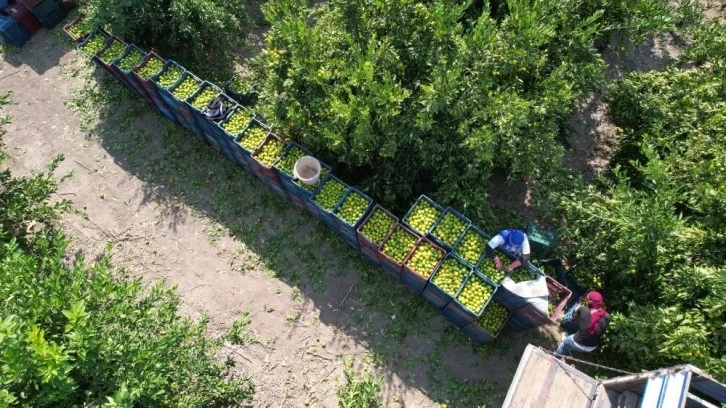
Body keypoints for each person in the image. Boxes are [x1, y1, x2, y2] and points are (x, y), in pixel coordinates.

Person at [554, 290, 611, 356]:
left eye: (587, 299)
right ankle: (570, 339)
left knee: (563, 345)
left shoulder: (583, 309)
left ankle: (556, 357)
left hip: (577, 343)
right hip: (592, 347)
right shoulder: (607, 316)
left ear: (590, 301)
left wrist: (578, 307)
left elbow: (573, 321)